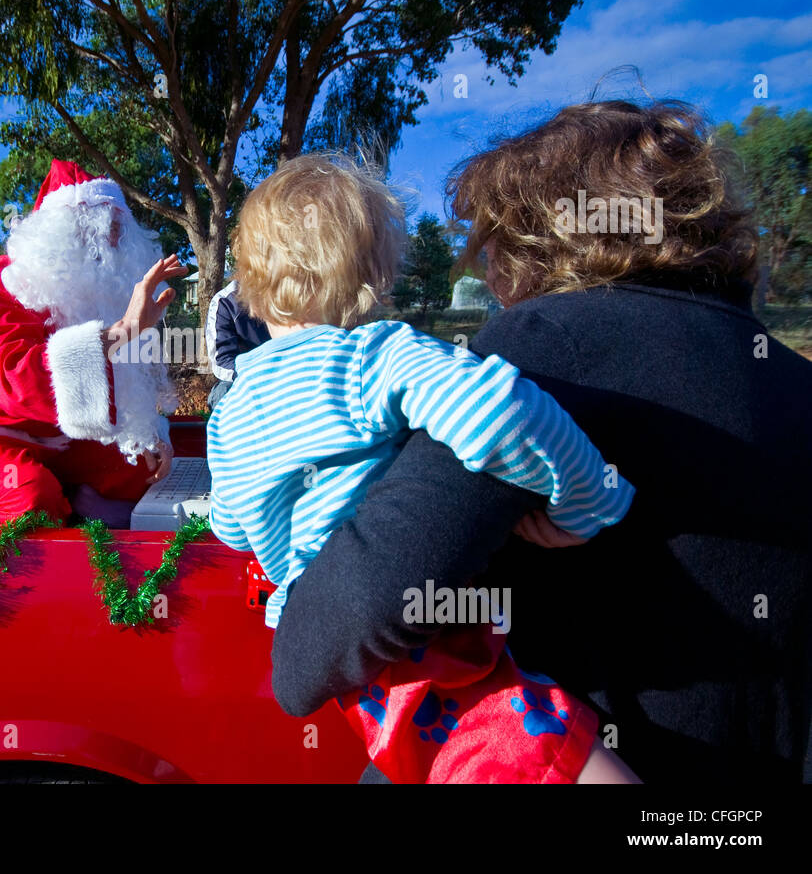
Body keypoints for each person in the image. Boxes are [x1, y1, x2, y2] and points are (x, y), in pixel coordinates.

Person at [270, 100, 812, 783]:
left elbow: (319, 649)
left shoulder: (543, 349)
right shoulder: (793, 378)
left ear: (538, 241)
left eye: (491, 246)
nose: (492, 277)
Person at [207, 153, 638, 783]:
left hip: (345, 659)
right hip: (420, 644)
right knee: (554, 758)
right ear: (375, 275)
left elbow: (233, 529)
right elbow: (496, 412)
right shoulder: (369, 357)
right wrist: (585, 502)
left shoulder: (230, 410)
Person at [0, 159, 183, 527]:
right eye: (102, 228)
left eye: (119, 229)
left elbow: (124, 389)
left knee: (143, 468)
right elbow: (16, 382)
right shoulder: (10, 280)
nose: (112, 242)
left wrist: (148, 433)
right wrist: (123, 329)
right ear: (63, 231)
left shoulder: (97, 293)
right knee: (32, 498)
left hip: (57, 437)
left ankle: (77, 501)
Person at [204, 279, 270, 410]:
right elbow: (222, 361)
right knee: (223, 391)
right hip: (245, 378)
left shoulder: (291, 293)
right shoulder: (226, 302)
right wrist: (260, 376)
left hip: (287, 372)